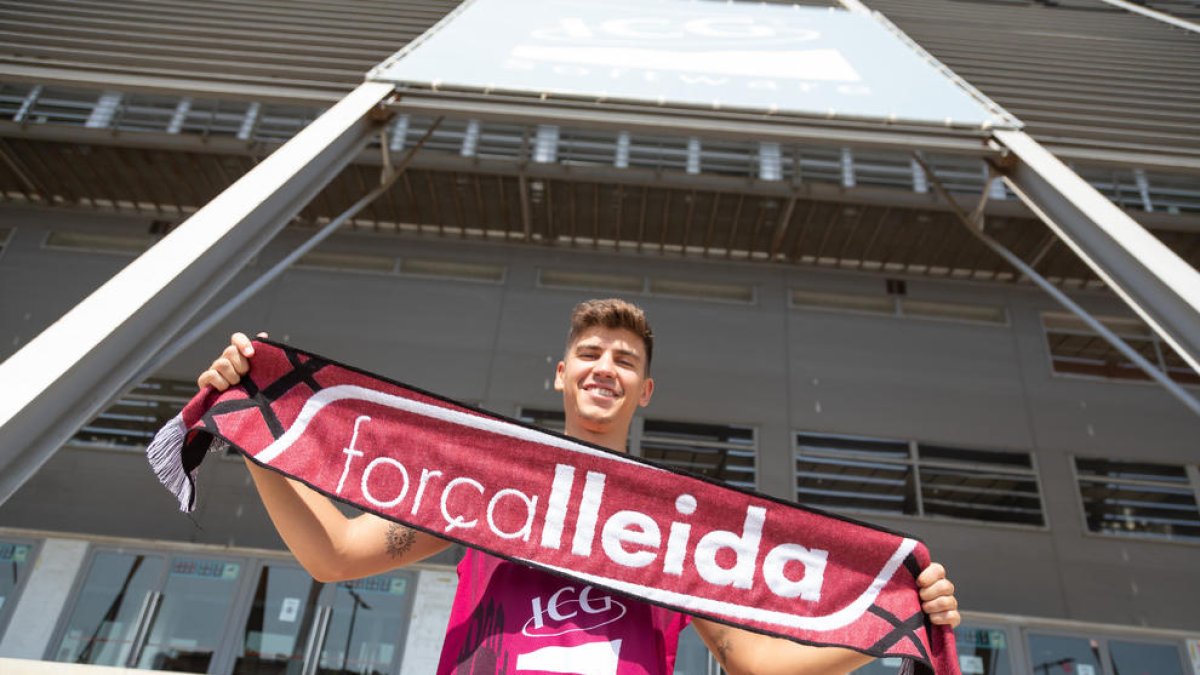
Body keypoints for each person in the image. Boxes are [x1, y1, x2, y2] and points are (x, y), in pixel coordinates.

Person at [198, 298, 960, 675]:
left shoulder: (682, 520)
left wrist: (892, 622)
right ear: (560, 373)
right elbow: (335, 554)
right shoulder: (488, 482)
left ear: (646, 389)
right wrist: (257, 434)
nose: (605, 366)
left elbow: (749, 659)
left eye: (624, 359)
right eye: (590, 352)